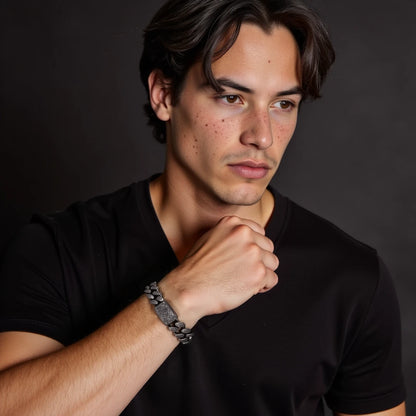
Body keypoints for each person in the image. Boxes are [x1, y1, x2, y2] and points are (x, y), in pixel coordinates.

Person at [0, 0, 406, 414]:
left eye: (283, 104)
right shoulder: (59, 248)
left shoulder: (351, 277)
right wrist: (180, 297)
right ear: (163, 95)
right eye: (231, 97)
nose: (262, 136)